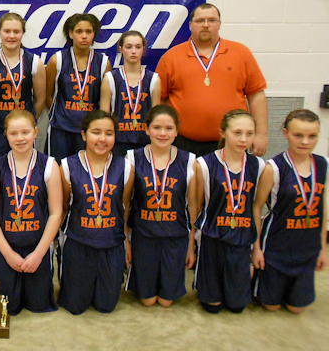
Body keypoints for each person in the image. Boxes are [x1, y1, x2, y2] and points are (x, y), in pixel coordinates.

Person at [155, 3, 268, 157]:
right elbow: (157, 100)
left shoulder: (241, 53)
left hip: (231, 143)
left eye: (212, 20)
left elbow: (257, 96)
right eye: (200, 20)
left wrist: (261, 134)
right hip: (182, 143)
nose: (206, 25)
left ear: (219, 24)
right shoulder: (171, 57)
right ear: (190, 25)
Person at [0, 109, 63, 315]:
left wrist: (39, 253)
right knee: (8, 309)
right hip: (6, 247)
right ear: (6, 135)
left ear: (36, 132)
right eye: (14, 133)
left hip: (38, 247)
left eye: (25, 132)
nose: (20, 138)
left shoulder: (50, 165)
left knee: (39, 306)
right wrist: (8, 254)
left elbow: (56, 213)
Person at [57, 110, 134, 314]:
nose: (102, 139)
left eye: (109, 133)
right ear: (84, 135)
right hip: (78, 243)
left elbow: (123, 207)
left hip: (111, 243)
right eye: (96, 132)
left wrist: (126, 240)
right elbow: (64, 207)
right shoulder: (67, 165)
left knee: (105, 307)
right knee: (75, 307)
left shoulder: (126, 167)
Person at [252, 109, 328, 313]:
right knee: (271, 306)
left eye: (312, 136)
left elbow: (322, 209)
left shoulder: (323, 165)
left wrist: (322, 248)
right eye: (298, 135)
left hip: (307, 247)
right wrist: (256, 249)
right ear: (285, 133)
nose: (305, 141)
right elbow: (257, 208)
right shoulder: (274, 168)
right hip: (276, 248)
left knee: (296, 309)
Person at [124, 104, 197, 307]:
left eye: (168, 128)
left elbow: (192, 207)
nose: (162, 133)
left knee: (166, 302)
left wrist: (191, 245)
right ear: (146, 129)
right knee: (148, 301)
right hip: (143, 236)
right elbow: (126, 203)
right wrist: (126, 241)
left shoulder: (190, 161)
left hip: (175, 236)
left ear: (176, 131)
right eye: (156, 128)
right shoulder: (132, 159)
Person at [193, 109, 265, 314]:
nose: (244, 139)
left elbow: (256, 209)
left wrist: (257, 247)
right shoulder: (204, 164)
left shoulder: (260, 166)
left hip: (242, 238)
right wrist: (192, 240)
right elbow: (197, 207)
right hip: (212, 238)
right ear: (223, 132)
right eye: (237, 132)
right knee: (212, 306)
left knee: (236, 307)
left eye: (250, 134)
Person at [0, 13, 46, 169]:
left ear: (22, 33)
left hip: (23, 132)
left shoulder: (34, 62)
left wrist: (27, 121)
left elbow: (41, 99)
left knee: (24, 171)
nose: (11, 36)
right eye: (7, 31)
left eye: (16, 32)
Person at [46, 13, 111, 162]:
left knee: (86, 172)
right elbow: (48, 96)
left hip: (89, 130)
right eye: (79, 31)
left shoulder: (103, 63)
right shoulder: (58, 60)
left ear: (94, 34)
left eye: (88, 32)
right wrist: (60, 116)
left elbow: (104, 100)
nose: (84, 36)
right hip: (60, 129)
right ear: (70, 33)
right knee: (58, 171)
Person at [100, 31, 160, 156]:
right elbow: (104, 117)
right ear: (121, 49)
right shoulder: (110, 79)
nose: (133, 51)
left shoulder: (154, 79)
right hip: (118, 142)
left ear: (143, 49)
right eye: (129, 47)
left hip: (145, 142)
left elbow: (156, 118)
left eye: (138, 47)